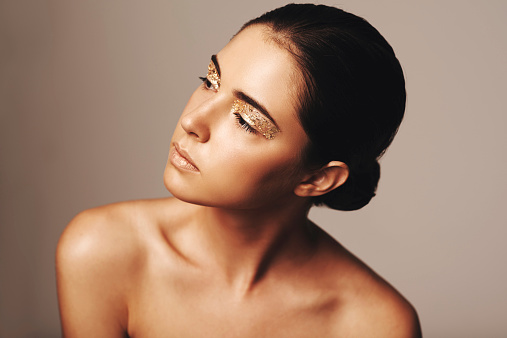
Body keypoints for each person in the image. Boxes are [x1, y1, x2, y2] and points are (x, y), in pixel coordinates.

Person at [56, 3, 421, 337]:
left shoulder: (376, 324)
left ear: (316, 178)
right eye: (210, 81)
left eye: (247, 120)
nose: (192, 120)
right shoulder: (102, 251)